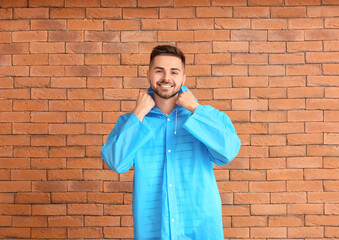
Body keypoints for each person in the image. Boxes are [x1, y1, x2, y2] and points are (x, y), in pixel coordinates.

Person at [101, 45, 241, 239]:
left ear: (183, 77)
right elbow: (116, 163)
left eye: (174, 72)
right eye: (159, 71)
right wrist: (139, 113)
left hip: (201, 229)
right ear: (149, 75)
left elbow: (227, 152)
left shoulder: (208, 116)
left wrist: (195, 109)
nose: (166, 78)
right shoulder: (131, 122)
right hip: (153, 229)